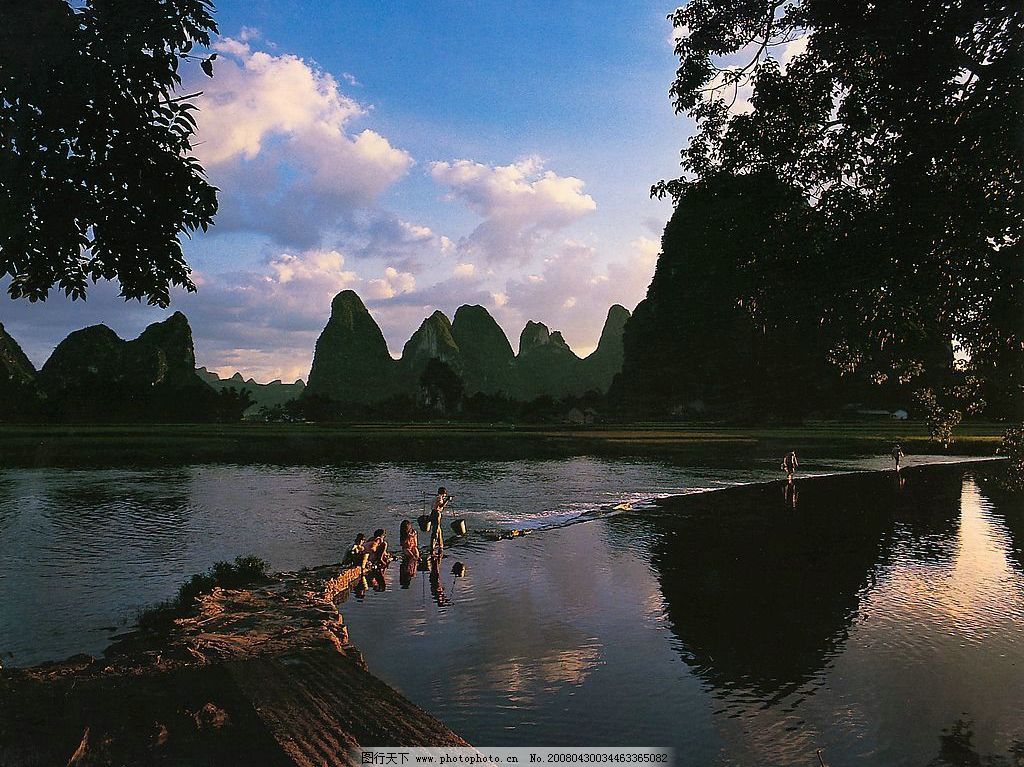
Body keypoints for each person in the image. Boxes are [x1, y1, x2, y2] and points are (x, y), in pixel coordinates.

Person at [430, 486, 452, 554]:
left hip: (433, 513)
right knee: (436, 530)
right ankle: (432, 546)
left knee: (438, 530)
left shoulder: (436, 497)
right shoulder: (439, 498)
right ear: (443, 493)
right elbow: (441, 505)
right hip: (436, 513)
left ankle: (440, 545)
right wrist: (447, 500)